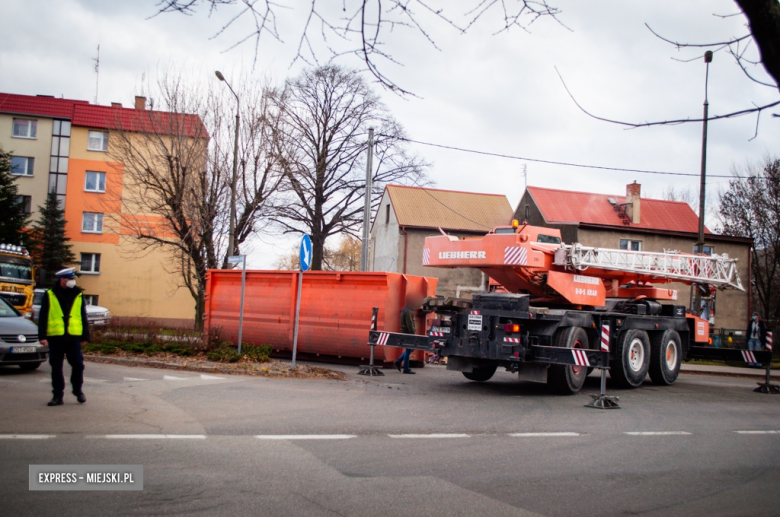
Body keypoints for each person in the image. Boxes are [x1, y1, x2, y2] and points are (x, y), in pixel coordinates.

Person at [38, 268, 90, 406]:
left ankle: (78, 390)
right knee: (56, 367)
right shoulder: (50, 294)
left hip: (73, 337)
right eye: (70, 279)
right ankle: (57, 396)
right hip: (56, 337)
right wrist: (42, 336)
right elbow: (43, 315)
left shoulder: (78, 294)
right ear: (63, 280)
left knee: (78, 365)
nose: (73, 282)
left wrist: (85, 335)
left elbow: (83, 316)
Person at [394, 296, 419, 374]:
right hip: (408, 333)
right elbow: (409, 323)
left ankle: (398, 361)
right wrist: (412, 333)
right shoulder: (408, 311)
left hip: (405, 332)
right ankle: (406, 368)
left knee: (410, 349)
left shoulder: (404, 310)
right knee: (409, 350)